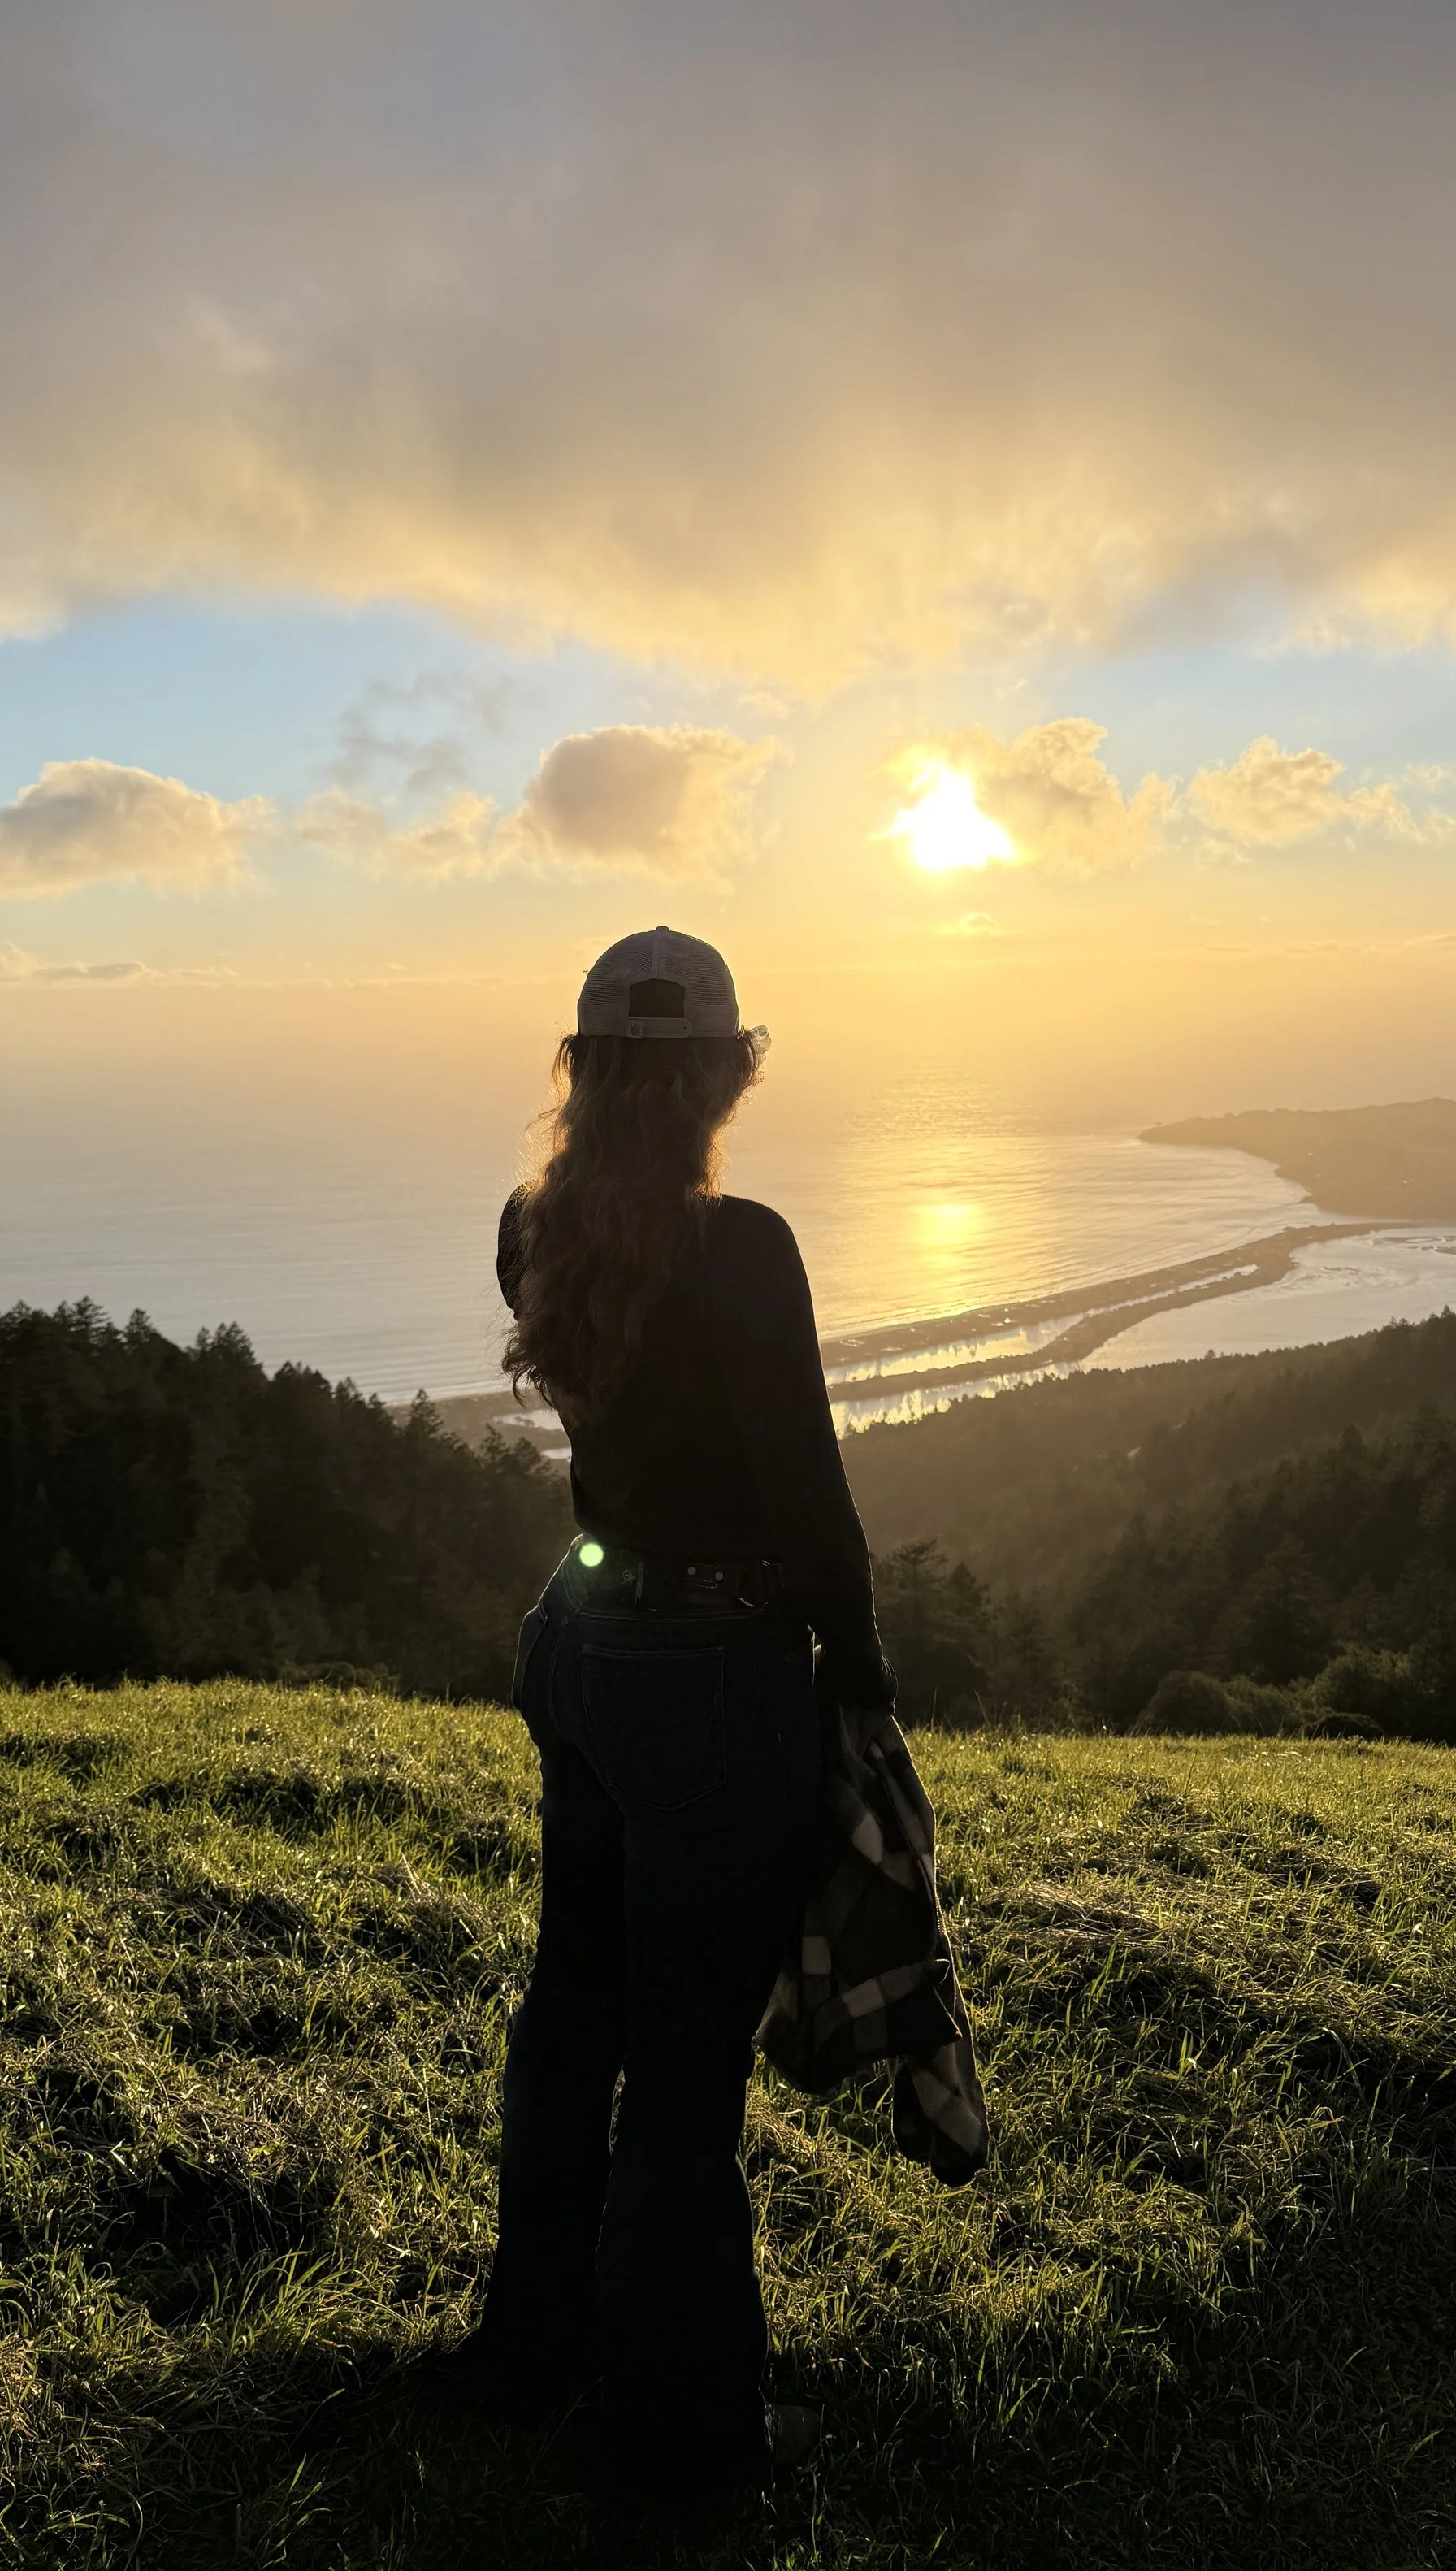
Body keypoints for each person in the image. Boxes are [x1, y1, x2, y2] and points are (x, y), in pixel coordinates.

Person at [462, 925, 893, 2499]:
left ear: (579, 1070)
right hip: (711, 1668)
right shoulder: (743, 1245)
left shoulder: (530, 1225)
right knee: (686, 2059)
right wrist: (858, 1676)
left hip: (578, 1642)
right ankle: (690, 2433)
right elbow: (804, 1491)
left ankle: (530, 2356)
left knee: (569, 2014)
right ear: (727, 1070)